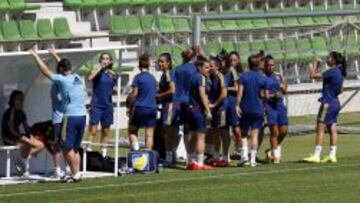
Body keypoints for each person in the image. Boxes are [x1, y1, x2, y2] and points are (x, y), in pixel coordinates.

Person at [29, 49, 87, 183]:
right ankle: (77, 173)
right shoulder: (77, 78)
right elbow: (63, 67)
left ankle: (75, 174)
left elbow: (45, 71)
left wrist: (36, 56)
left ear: (61, 69)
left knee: (66, 147)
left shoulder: (62, 80)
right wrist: (56, 56)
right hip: (83, 116)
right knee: (75, 148)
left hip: (71, 117)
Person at [303, 52, 346, 163]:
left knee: (320, 128)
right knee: (332, 128)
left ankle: (316, 155)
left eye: (329, 57)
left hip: (328, 103)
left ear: (334, 60)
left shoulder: (331, 71)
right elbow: (341, 90)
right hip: (336, 103)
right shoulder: (340, 72)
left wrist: (315, 63)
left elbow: (312, 76)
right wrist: (330, 93)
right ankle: (332, 155)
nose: (327, 59)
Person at [1, 90, 44, 176]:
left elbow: (26, 128)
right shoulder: (10, 112)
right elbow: (11, 130)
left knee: (41, 145)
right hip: (8, 137)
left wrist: (31, 136)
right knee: (26, 143)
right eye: (19, 99)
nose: (21, 101)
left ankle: (21, 160)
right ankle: (23, 167)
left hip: (18, 136)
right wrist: (22, 137)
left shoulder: (21, 113)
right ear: (13, 100)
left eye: (22, 99)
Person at [236, 54, 268, 167]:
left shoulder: (243, 77)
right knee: (255, 134)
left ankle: (244, 157)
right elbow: (264, 95)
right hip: (258, 108)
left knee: (244, 134)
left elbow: (240, 92)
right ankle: (253, 160)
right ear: (258, 64)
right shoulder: (262, 78)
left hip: (245, 107)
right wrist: (264, 106)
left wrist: (237, 105)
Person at [87, 52, 118, 157]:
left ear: (110, 61)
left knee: (106, 130)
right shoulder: (96, 71)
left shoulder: (112, 74)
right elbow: (90, 78)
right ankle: (88, 150)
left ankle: (103, 152)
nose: (105, 60)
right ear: (100, 61)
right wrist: (100, 68)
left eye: (107, 59)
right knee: (93, 129)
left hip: (107, 105)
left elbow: (112, 86)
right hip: (96, 104)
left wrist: (117, 90)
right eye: (103, 59)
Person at [173, 47, 198, 166]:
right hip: (189, 101)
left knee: (180, 128)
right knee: (193, 129)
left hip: (177, 100)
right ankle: (191, 156)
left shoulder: (178, 69)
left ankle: (177, 153)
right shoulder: (193, 69)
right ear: (193, 57)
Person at [187, 57, 213, 170]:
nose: (209, 70)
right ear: (199, 68)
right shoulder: (201, 78)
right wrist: (208, 110)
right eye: (206, 67)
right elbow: (202, 95)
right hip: (198, 110)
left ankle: (190, 162)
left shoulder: (192, 77)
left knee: (192, 136)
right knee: (201, 136)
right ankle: (200, 163)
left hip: (191, 109)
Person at [127, 53, 157, 151]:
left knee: (132, 130)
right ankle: (147, 154)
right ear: (148, 65)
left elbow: (134, 94)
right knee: (149, 135)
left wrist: (129, 105)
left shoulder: (138, 77)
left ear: (139, 66)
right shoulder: (153, 79)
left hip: (140, 107)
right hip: (152, 108)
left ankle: (135, 148)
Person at [264, 55, 289, 164]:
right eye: (268, 65)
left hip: (280, 105)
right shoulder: (263, 77)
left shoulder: (279, 76)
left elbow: (284, 90)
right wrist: (273, 95)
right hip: (269, 106)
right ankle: (276, 156)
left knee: (284, 131)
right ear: (265, 66)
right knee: (274, 131)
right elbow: (262, 95)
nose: (271, 67)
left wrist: (284, 89)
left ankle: (270, 151)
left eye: (272, 65)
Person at [156, 53, 176, 167]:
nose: (160, 64)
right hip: (166, 105)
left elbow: (172, 90)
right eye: (159, 62)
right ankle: (170, 155)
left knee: (167, 132)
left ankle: (169, 157)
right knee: (166, 131)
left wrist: (159, 96)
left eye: (162, 62)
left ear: (168, 63)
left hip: (169, 106)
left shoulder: (168, 73)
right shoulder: (165, 74)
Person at [208, 56, 229, 167]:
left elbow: (224, 94)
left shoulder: (220, 77)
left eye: (211, 66)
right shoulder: (210, 77)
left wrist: (214, 105)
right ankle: (216, 156)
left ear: (217, 66)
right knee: (215, 132)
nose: (209, 68)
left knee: (223, 133)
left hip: (221, 108)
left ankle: (225, 157)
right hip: (214, 109)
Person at [223, 51, 242, 157]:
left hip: (232, 102)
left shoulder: (234, 72)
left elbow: (237, 88)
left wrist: (225, 88)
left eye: (234, 60)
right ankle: (226, 153)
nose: (232, 62)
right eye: (230, 60)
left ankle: (240, 149)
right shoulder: (226, 71)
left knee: (235, 127)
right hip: (225, 102)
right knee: (224, 128)